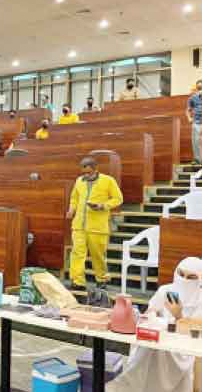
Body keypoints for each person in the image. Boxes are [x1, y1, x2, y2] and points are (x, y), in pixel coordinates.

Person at [106, 257, 202, 392]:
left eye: (191, 277)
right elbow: (150, 312)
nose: (184, 280)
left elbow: (195, 332)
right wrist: (151, 315)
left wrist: (178, 315)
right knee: (150, 348)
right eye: (181, 274)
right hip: (158, 339)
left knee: (161, 352)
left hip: (184, 348)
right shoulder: (166, 290)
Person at [66, 157, 123, 290]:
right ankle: (77, 282)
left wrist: (103, 206)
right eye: (84, 173)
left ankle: (101, 279)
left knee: (98, 255)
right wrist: (71, 210)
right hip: (79, 225)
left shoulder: (108, 180)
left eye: (89, 172)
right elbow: (74, 198)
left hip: (97, 227)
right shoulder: (79, 181)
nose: (86, 175)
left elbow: (118, 199)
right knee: (77, 253)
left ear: (96, 169)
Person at [187, 79, 202, 164]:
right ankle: (197, 160)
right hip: (196, 122)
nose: (200, 90)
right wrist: (189, 118)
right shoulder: (192, 98)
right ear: (197, 88)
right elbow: (188, 110)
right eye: (199, 88)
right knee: (195, 140)